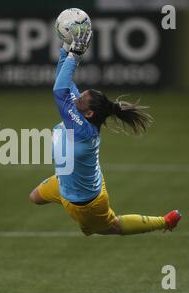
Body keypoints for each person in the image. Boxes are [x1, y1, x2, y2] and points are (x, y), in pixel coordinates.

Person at [29, 23, 181, 236]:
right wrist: (65, 47)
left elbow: (60, 90)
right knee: (34, 197)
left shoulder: (83, 130)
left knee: (113, 227)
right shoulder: (80, 114)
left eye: (81, 99)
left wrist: (75, 55)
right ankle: (69, 190)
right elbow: (63, 82)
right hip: (64, 181)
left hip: (86, 202)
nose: (77, 98)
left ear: (89, 114)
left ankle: (165, 221)